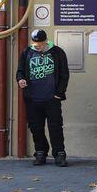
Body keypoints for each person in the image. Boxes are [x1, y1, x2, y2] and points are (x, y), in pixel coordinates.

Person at [16, 29, 70, 167]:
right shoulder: (27, 52)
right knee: (36, 127)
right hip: (33, 99)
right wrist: (20, 79)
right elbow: (20, 70)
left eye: (39, 44)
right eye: (34, 44)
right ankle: (40, 152)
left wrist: (59, 93)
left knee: (55, 127)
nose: (36, 47)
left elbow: (64, 74)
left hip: (52, 98)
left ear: (46, 42)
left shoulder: (57, 52)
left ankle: (59, 154)